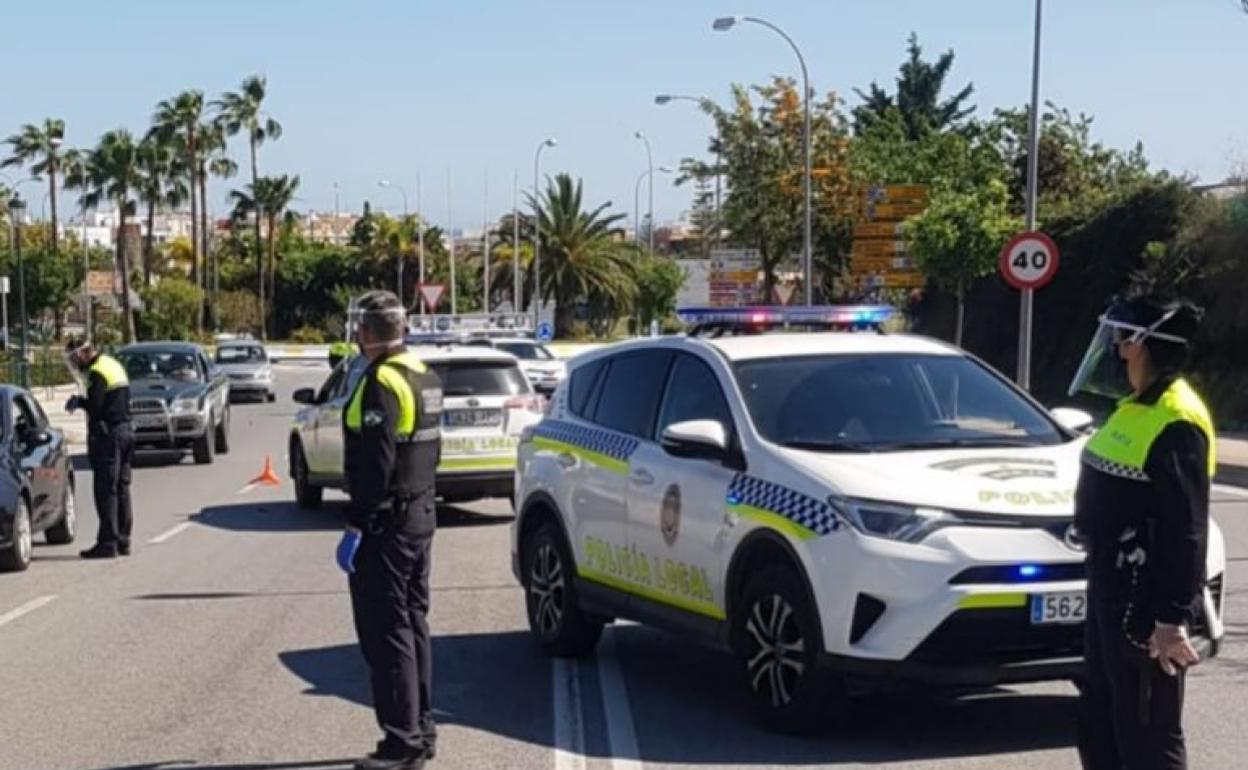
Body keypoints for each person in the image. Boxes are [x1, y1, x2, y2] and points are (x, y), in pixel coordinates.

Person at [1068, 293, 1214, 770]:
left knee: (1146, 731)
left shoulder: (1176, 420)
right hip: (1109, 584)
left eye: (1119, 336)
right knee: (1100, 720)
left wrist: (1172, 617)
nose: (1111, 345)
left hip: (1142, 597)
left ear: (1139, 344)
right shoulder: (1135, 405)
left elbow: (1186, 528)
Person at [335, 290, 443, 770]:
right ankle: (420, 729)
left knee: (386, 629)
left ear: (365, 331)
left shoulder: (380, 381)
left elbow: (377, 460)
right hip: (419, 514)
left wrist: (358, 522)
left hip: (388, 523)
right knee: (413, 623)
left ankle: (402, 743)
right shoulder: (423, 374)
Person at [64, 338, 135, 559]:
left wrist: (79, 402)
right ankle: (123, 540)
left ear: (83, 353)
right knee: (122, 488)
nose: (75, 363)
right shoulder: (112, 364)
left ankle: (108, 543)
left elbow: (96, 407)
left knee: (106, 490)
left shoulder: (97, 372)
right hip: (125, 432)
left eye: (75, 357)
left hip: (109, 436)